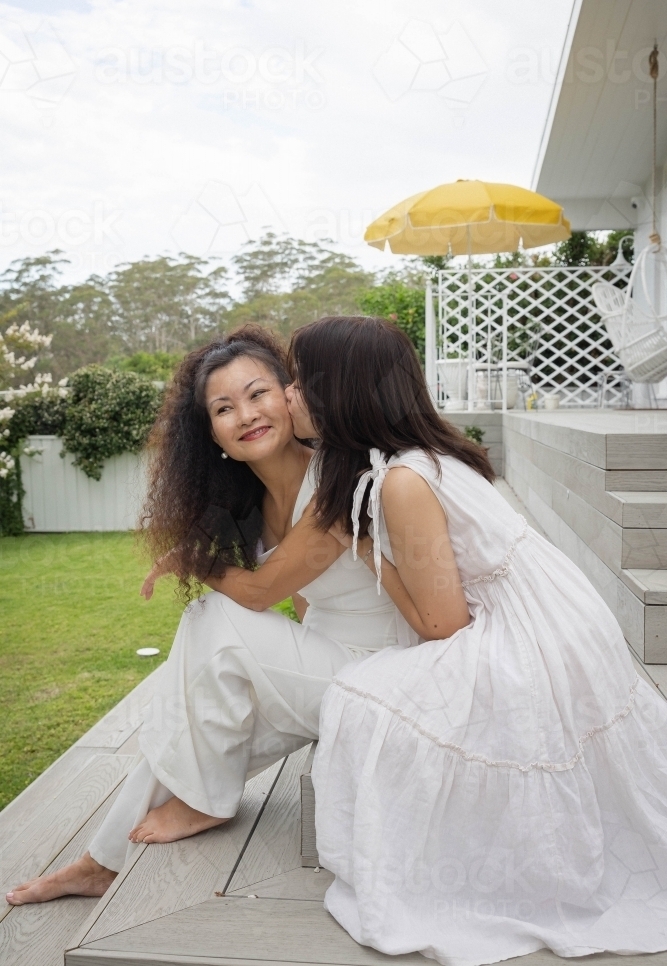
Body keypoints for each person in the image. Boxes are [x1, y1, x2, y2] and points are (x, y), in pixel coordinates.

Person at [287, 315, 667, 966]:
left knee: (358, 692)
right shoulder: (430, 454)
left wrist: (365, 550)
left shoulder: (401, 482)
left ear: (337, 392)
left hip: (524, 641)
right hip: (560, 620)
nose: (287, 393)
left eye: (297, 380)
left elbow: (441, 625)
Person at [5, 324, 416, 907]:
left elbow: (256, 595)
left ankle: (201, 803)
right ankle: (97, 863)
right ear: (213, 434)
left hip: (379, 675)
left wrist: (195, 562)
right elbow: (303, 602)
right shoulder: (249, 502)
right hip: (330, 669)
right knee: (186, 732)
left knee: (211, 619)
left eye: (257, 393)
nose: (246, 414)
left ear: (291, 394)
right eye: (224, 408)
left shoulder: (337, 478)